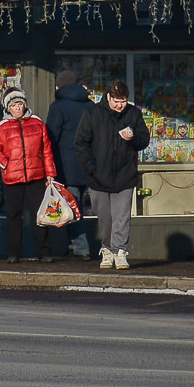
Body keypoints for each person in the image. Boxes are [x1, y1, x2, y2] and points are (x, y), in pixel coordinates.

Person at [74, 79, 150, 270]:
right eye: (116, 100)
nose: (119, 105)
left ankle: (120, 251)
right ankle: (107, 250)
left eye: (123, 101)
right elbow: (81, 143)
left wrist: (133, 138)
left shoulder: (133, 114)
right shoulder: (93, 114)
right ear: (108, 97)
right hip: (98, 177)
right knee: (105, 219)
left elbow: (144, 140)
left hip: (125, 176)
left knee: (121, 218)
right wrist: (90, 168)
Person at [0, 88, 57, 263]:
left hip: (36, 176)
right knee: (13, 216)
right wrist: (7, 164)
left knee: (40, 215)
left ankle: (44, 252)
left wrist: (50, 173)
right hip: (12, 178)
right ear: (8, 108)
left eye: (20, 104)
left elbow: (47, 150)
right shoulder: (2, 127)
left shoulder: (37, 123)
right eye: (14, 105)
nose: (18, 108)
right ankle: (13, 253)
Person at [45, 69, 95, 260]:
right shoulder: (91, 106)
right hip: (88, 164)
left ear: (60, 87)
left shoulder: (58, 107)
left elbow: (51, 137)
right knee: (78, 204)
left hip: (66, 166)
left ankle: (81, 248)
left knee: (73, 206)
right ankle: (75, 245)